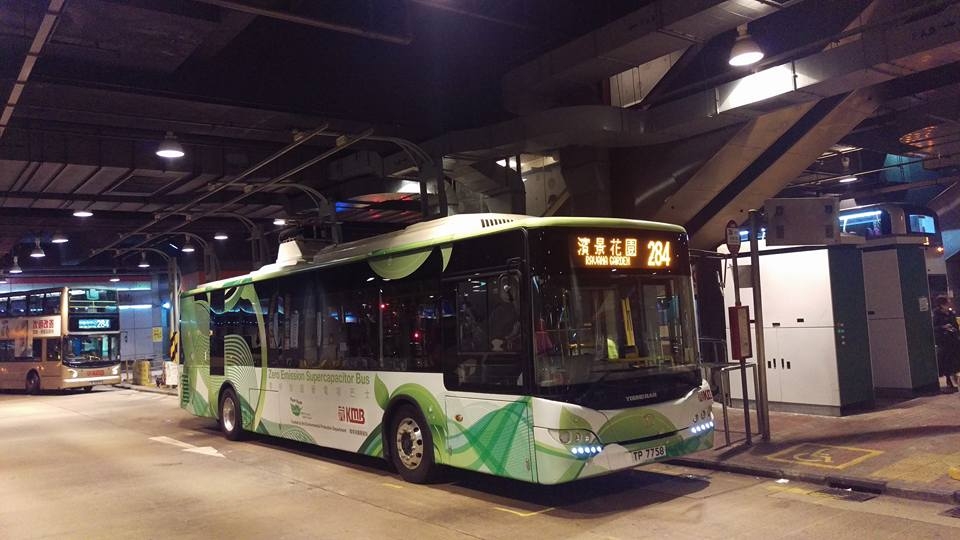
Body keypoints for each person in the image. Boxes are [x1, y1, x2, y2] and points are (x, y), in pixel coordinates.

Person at [932, 296, 960, 391]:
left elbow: (955, 325)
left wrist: (955, 330)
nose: (949, 304)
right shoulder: (937, 315)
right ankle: (949, 379)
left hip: (953, 339)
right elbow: (934, 327)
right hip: (944, 341)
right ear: (942, 305)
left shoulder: (951, 313)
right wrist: (943, 327)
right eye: (947, 303)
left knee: (955, 359)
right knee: (947, 360)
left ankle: (954, 377)